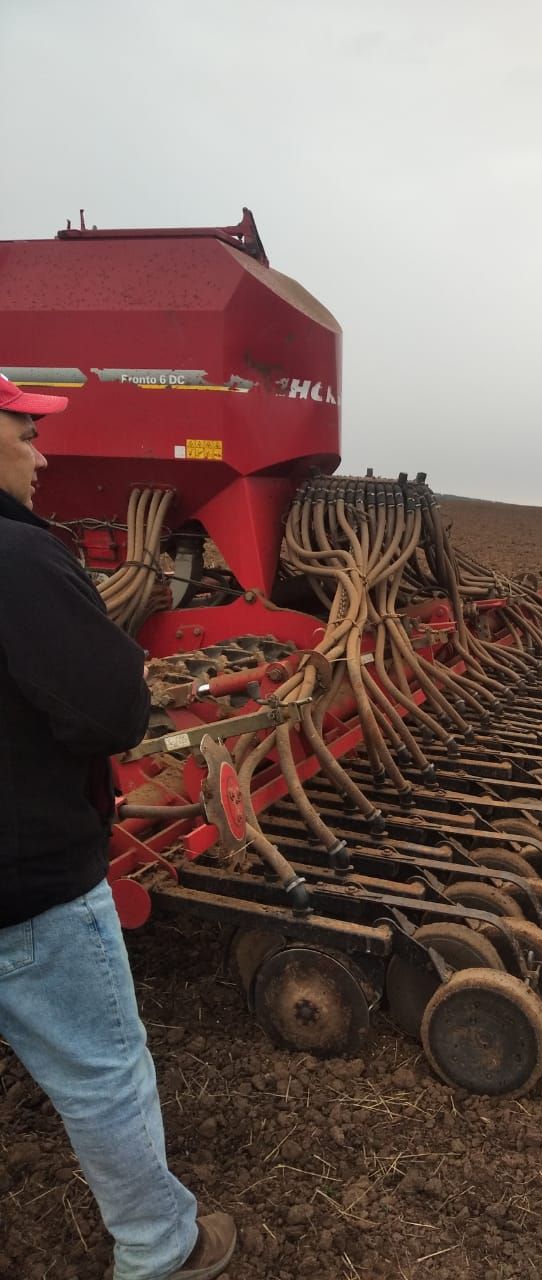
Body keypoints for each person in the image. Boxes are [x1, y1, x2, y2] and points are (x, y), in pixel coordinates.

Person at [0, 372, 236, 1280]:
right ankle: (158, 1247)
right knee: (101, 1074)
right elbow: (107, 717)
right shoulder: (20, 559)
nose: (44, 453)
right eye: (27, 434)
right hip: (29, 884)